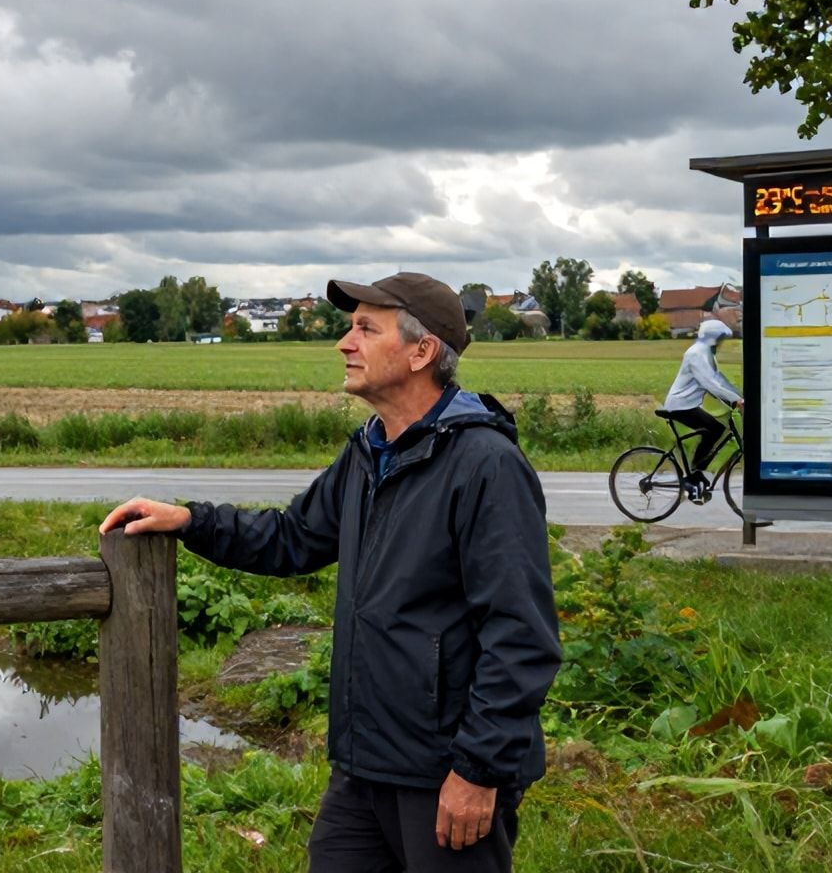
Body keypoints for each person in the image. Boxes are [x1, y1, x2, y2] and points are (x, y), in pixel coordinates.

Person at [99, 273, 560, 873]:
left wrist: (478, 770)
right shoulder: (372, 450)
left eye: (366, 328)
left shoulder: (485, 465)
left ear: (422, 352)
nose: (345, 342)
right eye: (351, 327)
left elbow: (521, 635)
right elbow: (293, 538)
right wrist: (190, 520)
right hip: (366, 764)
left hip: (446, 769)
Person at [659, 317, 744, 503]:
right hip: (679, 405)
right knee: (714, 429)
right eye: (720, 339)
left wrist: (739, 397)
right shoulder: (697, 354)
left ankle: (695, 474)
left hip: (686, 405)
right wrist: (736, 400)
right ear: (713, 337)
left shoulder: (705, 352)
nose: (721, 344)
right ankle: (693, 475)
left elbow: (719, 379)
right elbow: (710, 383)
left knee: (715, 429)